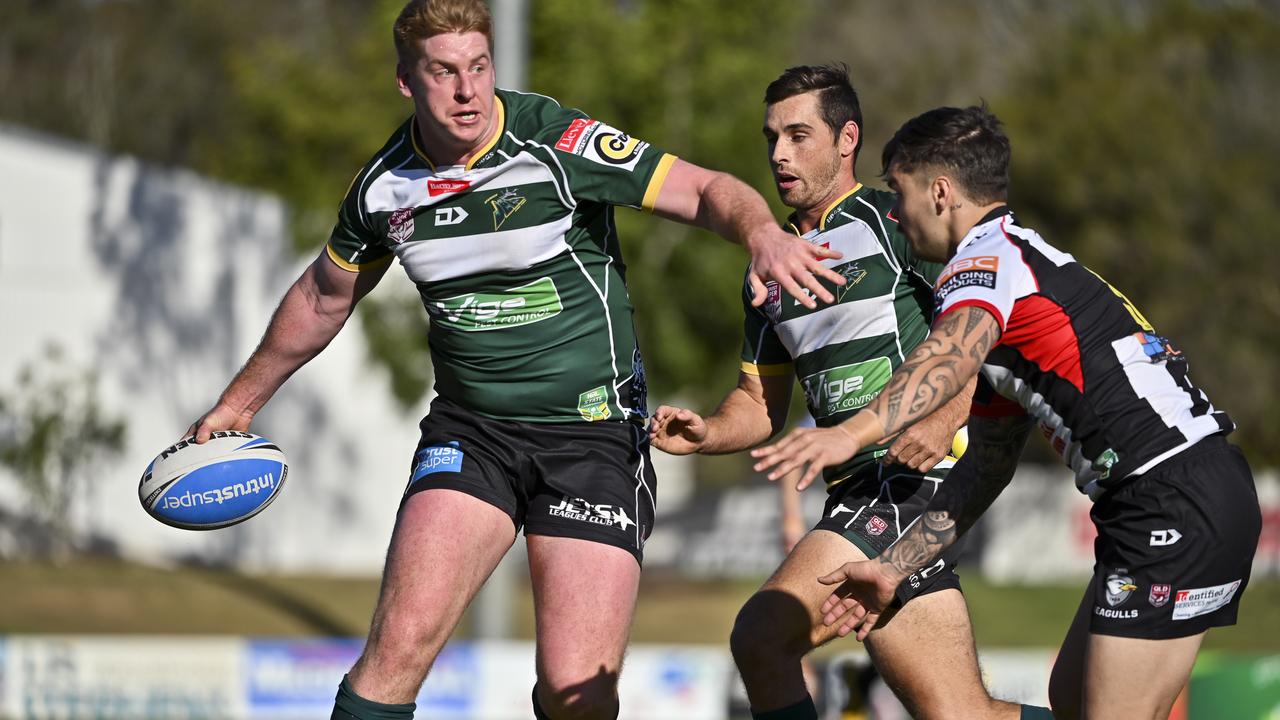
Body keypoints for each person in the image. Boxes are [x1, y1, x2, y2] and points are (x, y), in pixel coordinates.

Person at [184, 2, 848, 719]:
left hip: (593, 436)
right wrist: (240, 403)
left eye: (480, 66)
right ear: (407, 81)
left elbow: (702, 187)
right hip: (473, 435)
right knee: (396, 651)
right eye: (444, 71)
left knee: (574, 696)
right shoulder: (383, 187)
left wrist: (760, 236)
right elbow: (322, 296)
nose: (468, 90)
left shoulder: (555, 141)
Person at [754, 105, 1262, 720]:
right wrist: (893, 568)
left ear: (940, 192)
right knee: (1069, 702)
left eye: (902, 192)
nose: (898, 212)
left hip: (1171, 495)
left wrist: (850, 434)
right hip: (1171, 495)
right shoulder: (1016, 289)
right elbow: (986, 467)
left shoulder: (985, 263)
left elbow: (944, 356)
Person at [649, 66, 1050, 720]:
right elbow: (758, 408)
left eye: (799, 134)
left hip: (912, 480)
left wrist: (949, 408)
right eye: (771, 136)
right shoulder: (767, 267)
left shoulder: (898, 221)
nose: (779, 153)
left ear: (846, 139)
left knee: (762, 637)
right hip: (858, 494)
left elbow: (985, 317)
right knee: (958, 713)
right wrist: (706, 434)